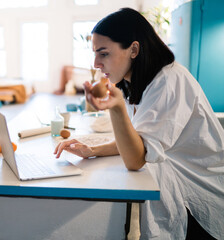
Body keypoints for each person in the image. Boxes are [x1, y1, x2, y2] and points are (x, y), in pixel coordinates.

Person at [54, 8, 223, 240]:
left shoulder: (168, 81)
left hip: (199, 192)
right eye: (94, 53)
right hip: (180, 183)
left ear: (133, 49)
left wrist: (116, 108)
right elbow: (138, 140)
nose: (95, 63)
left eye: (103, 54)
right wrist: (92, 150)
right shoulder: (135, 82)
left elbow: (136, 158)